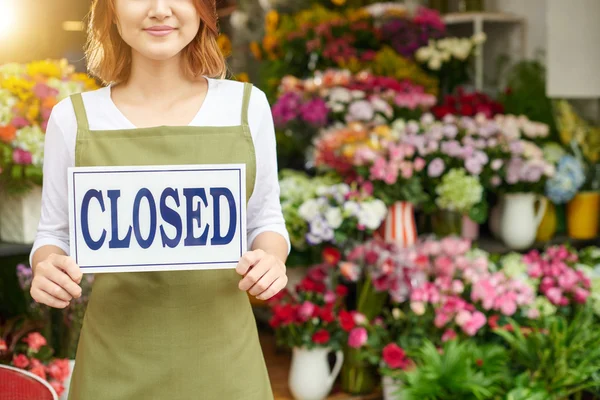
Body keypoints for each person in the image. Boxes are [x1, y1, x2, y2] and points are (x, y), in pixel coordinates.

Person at [28, 1, 290, 399]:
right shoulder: (73, 119)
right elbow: (54, 234)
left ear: (202, 8)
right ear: (111, 10)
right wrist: (47, 267)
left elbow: (265, 220)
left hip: (227, 366)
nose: (160, 10)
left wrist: (272, 259)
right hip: (113, 366)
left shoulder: (247, 107)